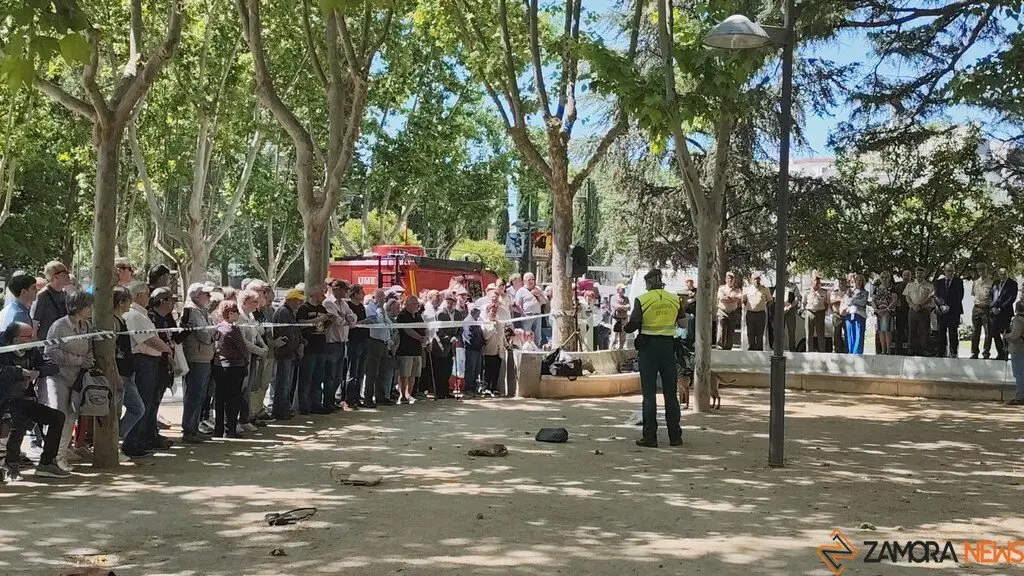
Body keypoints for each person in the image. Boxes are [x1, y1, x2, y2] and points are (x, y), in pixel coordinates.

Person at [623, 268, 684, 448]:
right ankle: (675, 436)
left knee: (649, 395)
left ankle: (650, 436)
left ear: (649, 283)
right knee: (671, 394)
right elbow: (682, 322)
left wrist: (625, 327)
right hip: (668, 348)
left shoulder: (642, 299)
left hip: (648, 350)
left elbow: (633, 324)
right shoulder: (675, 299)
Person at [0, 322, 69, 479]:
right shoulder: (2, 349)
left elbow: (52, 366)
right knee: (17, 419)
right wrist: (19, 372)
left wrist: (37, 372)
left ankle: (46, 463)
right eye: (29, 336)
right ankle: (11, 466)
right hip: (4, 400)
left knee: (57, 417)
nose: (34, 339)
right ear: (16, 340)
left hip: (23, 399)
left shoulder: (32, 350)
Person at [41, 290, 94, 472]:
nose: (90, 309)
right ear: (78, 307)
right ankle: (51, 456)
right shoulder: (58, 326)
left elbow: (89, 348)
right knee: (59, 415)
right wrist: (77, 360)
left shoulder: (86, 326)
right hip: (58, 377)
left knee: (72, 416)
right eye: (88, 306)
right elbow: (51, 352)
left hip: (78, 379)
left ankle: (61, 454)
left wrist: (88, 361)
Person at [121, 282, 171, 458]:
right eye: (146, 294)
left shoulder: (142, 314)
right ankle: (131, 441)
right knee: (141, 402)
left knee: (149, 403)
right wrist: (166, 348)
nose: (149, 298)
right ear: (138, 296)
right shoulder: (134, 315)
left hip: (151, 361)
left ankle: (142, 438)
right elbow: (148, 338)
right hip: (143, 361)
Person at [147, 287, 184, 449]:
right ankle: (148, 435)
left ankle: (153, 432)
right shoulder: (151, 317)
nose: (173, 304)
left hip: (167, 363)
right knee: (151, 400)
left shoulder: (168, 317)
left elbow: (176, 338)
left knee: (157, 400)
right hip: (156, 363)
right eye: (170, 300)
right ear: (161, 301)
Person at [180, 283, 215, 443]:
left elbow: (210, 332)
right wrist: (214, 330)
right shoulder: (192, 311)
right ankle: (189, 429)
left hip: (205, 357)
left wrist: (212, 330)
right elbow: (205, 335)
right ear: (196, 296)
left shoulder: (203, 311)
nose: (209, 298)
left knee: (200, 395)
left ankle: (193, 427)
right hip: (196, 357)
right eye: (206, 294)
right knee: (194, 394)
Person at [112, 288, 145, 453]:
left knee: (137, 408)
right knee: (130, 409)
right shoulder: (113, 322)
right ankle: (113, 443)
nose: (130, 304)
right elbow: (111, 352)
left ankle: (116, 439)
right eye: (128, 301)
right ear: (120, 303)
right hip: (120, 374)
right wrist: (116, 375)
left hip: (127, 372)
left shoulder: (121, 320)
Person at [212, 300, 249, 438]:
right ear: (229, 313)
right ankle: (230, 429)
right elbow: (242, 347)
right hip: (234, 367)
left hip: (219, 366)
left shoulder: (218, 327)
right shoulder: (233, 329)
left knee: (220, 399)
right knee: (233, 399)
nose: (238, 314)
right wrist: (246, 360)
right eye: (236, 312)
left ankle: (218, 429)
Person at [295, 285, 331, 415]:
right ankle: (304, 405)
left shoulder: (322, 308)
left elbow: (325, 325)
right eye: (322, 294)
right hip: (309, 347)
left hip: (321, 346)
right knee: (306, 377)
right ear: (314, 294)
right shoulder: (304, 308)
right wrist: (318, 320)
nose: (324, 296)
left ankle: (316, 403)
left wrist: (328, 321)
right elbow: (300, 323)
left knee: (318, 377)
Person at [270, 289, 305, 420]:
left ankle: (284, 407)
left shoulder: (289, 312)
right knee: (283, 382)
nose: (299, 303)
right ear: (290, 300)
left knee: (287, 382)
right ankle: (279, 410)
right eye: (297, 300)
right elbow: (287, 333)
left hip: (290, 353)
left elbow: (295, 331)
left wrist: (301, 342)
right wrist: (296, 347)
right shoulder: (284, 312)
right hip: (285, 353)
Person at [237, 289, 270, 428]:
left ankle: (246, 418)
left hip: (253, 358)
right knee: (242, 389)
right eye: (254, 302)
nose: (257, 305)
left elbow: (256, 334)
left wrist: (263, 347)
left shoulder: (250, 316)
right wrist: (259, 350)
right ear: (245, 302)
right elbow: (243, 340)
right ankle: (239, 419)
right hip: (242, 358)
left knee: (249, 389)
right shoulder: (239, 317)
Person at [324, 280, 358, 411]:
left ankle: (332, 399)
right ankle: (327, 401)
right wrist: (346, 319)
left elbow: (354, 317)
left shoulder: (344, 304)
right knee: (330, 374)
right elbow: (337, 320)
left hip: (342, 342)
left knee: (338, 375)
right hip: (332, 342)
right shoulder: (328, 302)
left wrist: (347, 318)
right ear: (336, 289)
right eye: (344, 289)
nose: (346, 292)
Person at [361, 288, 392, 407]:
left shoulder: (382, 309)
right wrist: (379, 310)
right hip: (373, 342)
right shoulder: (368, 309)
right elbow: (376, 322)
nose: (383, 300)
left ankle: (381, 396)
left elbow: (388, 323)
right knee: (372, 372)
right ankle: (368, 397)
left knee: (382, 372)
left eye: (384, 298)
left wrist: (383, 313)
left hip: (384, 343)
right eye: (380, 298)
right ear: (374, 298)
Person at [430, 292, 461, 399]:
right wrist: (448, 339)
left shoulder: (458, 314)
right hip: (440, 346)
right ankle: (439, 392)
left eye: (452, 302)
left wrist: (456, 337)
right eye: (448, 302)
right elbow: (438, 331)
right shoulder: (440, 314)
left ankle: (446, 390)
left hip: (451, 346)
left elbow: (460, 328)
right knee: (439, 370)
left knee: (448, 369)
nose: (450, 304)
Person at [395, 295, 426, 404]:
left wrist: (425, 337)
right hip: (405, 349)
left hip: (417, 349)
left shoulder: (418, 315)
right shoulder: (402, 315)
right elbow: (407, 330)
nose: (416, 306)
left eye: (417, 304)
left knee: (413, 374)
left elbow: (423, 327)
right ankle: (402, 395)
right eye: (414, 304)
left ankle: (409, 394)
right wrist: (419, 337)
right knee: (404, 374)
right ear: (407, 304)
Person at [32, 261, 70, 342]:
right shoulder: (42, 296)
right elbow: (34, 323)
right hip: (45, 343)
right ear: (55, 277)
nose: (68, 276)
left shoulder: (64, 294)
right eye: (64, 273)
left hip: (61, 340)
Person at [345, 284, 369, 409]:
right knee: (352, 371)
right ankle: (349, 398)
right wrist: (363, 322)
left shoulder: (361, 307)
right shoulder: (349, 306)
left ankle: (357, 396)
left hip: (364, 340)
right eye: (361, 292)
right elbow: (352, 323)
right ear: (354, 293)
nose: (363, 295)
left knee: (360, 372)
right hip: (353, 340)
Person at [934, 263, 964, 358]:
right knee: (941, 332)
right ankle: (941, 352)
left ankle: (954, 352)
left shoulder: (959, 282)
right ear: (944, 271)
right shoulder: (939, 282)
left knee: (953, 332)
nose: (950, 273)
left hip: (954, 311)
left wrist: (949, 306)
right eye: (948, 271)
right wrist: (942, 306)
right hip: (941, 311)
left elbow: (959, 296)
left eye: (952, 271)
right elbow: (935, 296)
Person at [904, 267, 935, 356]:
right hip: (912, 310)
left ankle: (925, 350)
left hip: (924, 310)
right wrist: (913, 305)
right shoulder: (910, 285)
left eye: (921, 273)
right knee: (912, 330)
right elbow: (907, 297)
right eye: (917, 273)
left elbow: (930, 298)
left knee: (924, 330)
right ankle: (911, 350)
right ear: (915, 274)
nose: (919, 275)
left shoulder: (929, 285)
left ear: (924, 274)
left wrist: (921, 305)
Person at [989, 266, 1018, 361]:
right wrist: (993, 307)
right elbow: (990, 296)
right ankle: (1000, 353)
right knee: (994, 333)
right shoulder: (995, 283)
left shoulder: (1012, 284)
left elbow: (1011, 299)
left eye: (1004, 274)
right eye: (1000, 274)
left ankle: (1006, 353)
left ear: (1007, 273)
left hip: (1005, 313)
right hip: (993, 313)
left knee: (1005, 334)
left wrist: (1000, 308)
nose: (1002, 276)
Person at [514, 273, 547, 347]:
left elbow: (544, 302)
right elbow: (518, 305)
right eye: (529, 280)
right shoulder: (521, 291)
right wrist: (523, 315)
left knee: (538, 336)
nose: (532, 281)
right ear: (524, 281)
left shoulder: (538, 289)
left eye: (533, 279)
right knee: (526, 335)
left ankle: (537, 349)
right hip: (527, 316)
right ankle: (526, 350)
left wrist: (539, 295)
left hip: (538, 315)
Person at [481, 304, 506, 397]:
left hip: (498, 351)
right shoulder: (485, 324)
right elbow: (486, 336)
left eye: (495, 312)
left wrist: (506, 345)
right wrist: (493, 326)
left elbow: (502, 336)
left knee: (496, 371)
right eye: (492, 311)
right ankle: (486, 388)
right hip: (489, 350)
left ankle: (494, 388)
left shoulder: (500, 323)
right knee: (488, 371)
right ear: (488, 312)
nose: (494, 313)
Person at [743, 273, 771, 351]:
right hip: (750, 313)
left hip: (761, 314)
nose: (757, 280)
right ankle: (751, 346)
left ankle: (759, 347)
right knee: (750, 331)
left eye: (758, 279)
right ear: (752, 280)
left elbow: (770, 300)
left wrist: (763, 307)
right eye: (755, 279)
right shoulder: (747, 289)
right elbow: (744, 300)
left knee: (760, 332)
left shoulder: (765, 289)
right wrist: (750, 307)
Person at [971, 263, 994, 359]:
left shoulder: (991, 282)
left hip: (986, 308)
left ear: (986, 270)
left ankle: (986, 352)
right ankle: (974, 352)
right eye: (979, 270)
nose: (981, 271)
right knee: (975, 332)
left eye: (983, 269)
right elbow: (973, 294)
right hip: (976, 308)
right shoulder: (975, 282)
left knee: (988, 332)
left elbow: (993, 297)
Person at [843, 274, 869, 355]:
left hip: (860, 315)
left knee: (859, 334)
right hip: (849, 314)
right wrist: (855, 300)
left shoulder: (865, 292)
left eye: (861, 280)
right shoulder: (850, 291)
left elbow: (863, 302)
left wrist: (853, 300)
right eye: (857, 280)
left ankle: (857, 352)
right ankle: (851, 352)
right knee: (850, 334)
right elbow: (846, 301)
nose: (859, 282)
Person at [462, 306, 485, 397]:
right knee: (470, 369)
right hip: (471, 349)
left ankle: (474, 388)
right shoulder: (468, 321)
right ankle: (468, 388)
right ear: (472, 311)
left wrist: (482, 344)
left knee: (477, 369)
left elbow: (480, 334)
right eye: (478, 311)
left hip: (478, 349)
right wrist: (478, 345)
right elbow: (469, 336)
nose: (479, 313)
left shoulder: (476, 321)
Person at [716, 272, 743, 350]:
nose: (730, 280)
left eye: (731, 279)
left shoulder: (737, 290)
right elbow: (722, 298)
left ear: (734, 280)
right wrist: (733, 298)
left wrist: (728, 297)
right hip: (722, 311)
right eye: (728, 278)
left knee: (731, 331)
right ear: (726, 279)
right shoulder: (721, 288)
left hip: (733, 312)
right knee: (721, 330)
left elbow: (739, 297)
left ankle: (728, 347)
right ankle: (720, 346)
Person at [802, 274, 829, 352]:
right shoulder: (807, 292)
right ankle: (809, 351)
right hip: (809, 312)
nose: (816, 282)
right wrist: (806, 311)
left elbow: (826, 303)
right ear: (811, 281)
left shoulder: (824, 292)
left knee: (821, 334)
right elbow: (803, 303)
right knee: (809, 334)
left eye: (818, 281)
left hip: (820, 313)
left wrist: (823, 311)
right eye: (815, 280)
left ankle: (822, 351)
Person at [1005, 301, 1024, 405]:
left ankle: (1020, 397)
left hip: (1018, 348)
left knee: (1019, 374)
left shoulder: (1017, 320)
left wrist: (1006, 336)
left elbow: (1015, 335)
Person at [873, 271, 897, 355]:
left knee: (887, 330)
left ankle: (888, 350)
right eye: (882, 277)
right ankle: (883, 350)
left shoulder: (892, 287)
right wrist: (876, 309)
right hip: (879, 311)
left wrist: (887, 309)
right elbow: (873, 300)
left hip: (887, 312)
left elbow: (894, 300)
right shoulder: (876, 287)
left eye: (886, 277)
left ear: (889, 278)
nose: (884, 279)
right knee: (880, 331)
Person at [830, 277, 850, 354]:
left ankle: (847, 349)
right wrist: (840, 300)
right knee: (836, 333)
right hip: (837, 314)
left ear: (846, 282)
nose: (841, 283)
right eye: (840, 282)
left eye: (843, 281)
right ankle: (837, 350)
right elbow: (832, 302)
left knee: (847, 333)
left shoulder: (849, 292)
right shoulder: (834, 291)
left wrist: (839, 301)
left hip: (846, 315)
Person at [611, 284, 630, 349]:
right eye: (622, 289)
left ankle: (621, 349)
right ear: (618, 290)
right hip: (616, 320)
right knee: (614, 338)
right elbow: (616, 307)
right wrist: (623, 307)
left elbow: (628, 307)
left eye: (624, 289)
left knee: (623, 338)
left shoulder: (626, 298)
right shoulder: (613, 298)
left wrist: (621, 307)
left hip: (624, 320)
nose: (624, 290)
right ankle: (612, 350)